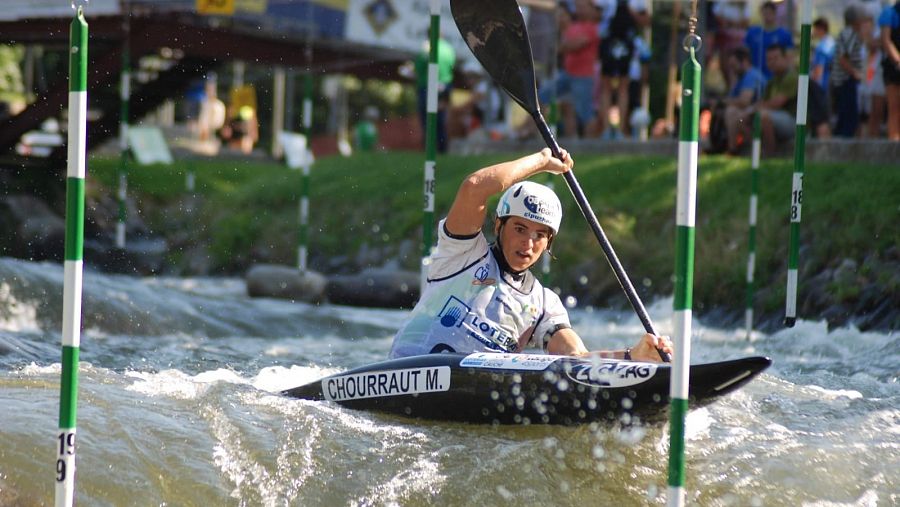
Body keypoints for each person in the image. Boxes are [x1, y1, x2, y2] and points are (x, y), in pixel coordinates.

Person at [389, 148, 673, 362]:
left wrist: (633, 357)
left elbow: (576, 359)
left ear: (549, 242)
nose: (528, 242)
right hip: (407, 371)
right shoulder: (462, 253)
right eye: (520, 228)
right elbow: (475, 187)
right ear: (498, 225)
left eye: (540, 235)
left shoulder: (544, 304)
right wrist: (541, 161)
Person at [538, 0, 600, 138]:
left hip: (583, 76)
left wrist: (565, 46)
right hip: (567, 74)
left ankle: (592, 144)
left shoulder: (593, 27)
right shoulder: (574, 26)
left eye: (583, 7)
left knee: (585, 113)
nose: (580, 10)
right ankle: (543, 134)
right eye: (578, 7)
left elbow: (574, 45)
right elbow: (562, 46)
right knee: (542, 96)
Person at [831, 6, 871, 138]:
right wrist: (855, 73)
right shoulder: (849, 34)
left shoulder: (851, 33)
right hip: (846, 80)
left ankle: (841, 137)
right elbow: (843, 58)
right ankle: (843, 139)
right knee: (850, 114)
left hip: (847, 80)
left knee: (845, 113)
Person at [719, 46, 767, 154]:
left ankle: (734, 149)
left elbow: (744, 102)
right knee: (730, 112)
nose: (733, 70)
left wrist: (722, 102)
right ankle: (727, 147)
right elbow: (732, 97)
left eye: (734, 65)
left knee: (732, 112)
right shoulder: (740, 77)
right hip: (749, 110)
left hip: (757, 109)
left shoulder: (751, 76)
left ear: (744, 62)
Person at [414, 34, 456, 153]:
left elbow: (419, 67)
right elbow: (452, 66)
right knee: (441, 120)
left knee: (427, 120)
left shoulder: (427, 47)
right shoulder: (449, 48)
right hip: (445, 86)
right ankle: (443, 150)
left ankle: (430, 149)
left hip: (428, 87)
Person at [756, 44, 798, 151]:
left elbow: (776, 103)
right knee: (744, 117)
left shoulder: (792, 77)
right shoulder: (772, 81)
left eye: (776, 58)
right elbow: (764, 102)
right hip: (777, 118)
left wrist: (755, 108)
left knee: (763, 115)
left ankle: (770, 154)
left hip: (795, 122)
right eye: (769, 59)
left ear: (785, 58)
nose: (772, 62)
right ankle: (750, 151)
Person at [744, 1, 794, 79]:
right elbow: (745, 53)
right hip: (756, 76)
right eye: (765, 13)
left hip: (776, 76)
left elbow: (789, 57)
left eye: (769, 13)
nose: (767, 16)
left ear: (775, 13)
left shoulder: (784, 34)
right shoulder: (753, 32)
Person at [879, 0, 900, 140]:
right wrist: (898, 60)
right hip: (893, 67)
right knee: (895, 107)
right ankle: (894, 142)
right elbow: (886, 40)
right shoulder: (890, 12)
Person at [811, 17, 836, 99]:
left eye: (815, 29)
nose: (813, 32)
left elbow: (819, 70)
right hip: (832, 84)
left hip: (822, 86)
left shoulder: (821, 47)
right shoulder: (832, 42)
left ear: (821, 29)